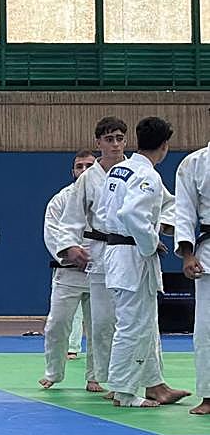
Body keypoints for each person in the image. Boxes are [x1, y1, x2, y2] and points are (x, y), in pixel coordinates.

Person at [100, 117, 188, 407]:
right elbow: (131, 215)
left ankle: (155, 385)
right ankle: (124, 392)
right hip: (132, 257)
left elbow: (168, 202)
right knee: (133, 325)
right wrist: (151, 241)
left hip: (117, 253)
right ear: (164, 147)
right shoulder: (147, 175)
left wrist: (162, 222)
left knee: (145, 323)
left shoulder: (120, 169)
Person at [56, 118, 129, 393]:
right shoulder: (88, 178)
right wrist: (69, 246)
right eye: (109, 139)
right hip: (99, 252)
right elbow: (71, 217)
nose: (115, 144)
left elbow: (161, 204)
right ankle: (101, 376)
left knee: (132, 320)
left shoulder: (136, 171)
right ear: (98, 142)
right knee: (102, 321)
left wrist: (158, 232)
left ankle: (133, 379)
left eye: (119, 138)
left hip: (132, 251)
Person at [39, 150, 98, 390]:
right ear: (73, 171)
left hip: (99, 270)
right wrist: (71, 253)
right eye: (79, 166)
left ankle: (96, 376)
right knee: (57, 324)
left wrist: (97, 257)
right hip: (68, 271)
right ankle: (53, 372)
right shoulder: (60, 199)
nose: (83, 171)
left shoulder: (109, 195)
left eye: (89, 166)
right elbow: (51, 232)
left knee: (101, 328)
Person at [174, 134, 210, 415]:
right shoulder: (194, 163)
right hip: (208, 251)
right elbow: (184, 212)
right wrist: (187, 253)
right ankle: (209, 394)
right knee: (206, 328)